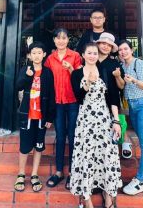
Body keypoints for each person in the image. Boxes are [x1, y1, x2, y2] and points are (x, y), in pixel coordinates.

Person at [70, 43, 122, 208]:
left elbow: (113, 98)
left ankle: (108, 196)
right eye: (89, 53)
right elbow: (78, 97)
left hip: (104, 120)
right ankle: (87, 199)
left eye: (95, 53)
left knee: (106, 155)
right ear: (83, 55)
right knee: (86, 155)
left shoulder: (105, 71)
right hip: (85, 121)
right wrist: (87, 83)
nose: (92, 56)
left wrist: (116, 121)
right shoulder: (77, 74)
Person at [14, 42, 56, 193]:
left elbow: (51, 95)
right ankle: (21, 174)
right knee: (25, 145)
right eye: (34, 53)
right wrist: (27, 76)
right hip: (27, 114)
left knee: (39, 145)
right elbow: (18, 86)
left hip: (41, 116)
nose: (37, 55)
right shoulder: (25, 69)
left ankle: (34, 174)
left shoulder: (48, 73)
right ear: (30, 55)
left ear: (44, 55)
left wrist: (50, 117)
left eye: (39, 52)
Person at [118, 40, 143, 195]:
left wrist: (133, 80)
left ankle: (140, 180)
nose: (123, 52)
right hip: (133, 106)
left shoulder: (139, 64)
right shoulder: (122, 66)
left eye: (125, 49)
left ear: (131, 49)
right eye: (120, 50)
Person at [44, 28, 82, 189]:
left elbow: (80, 79)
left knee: (73, 136)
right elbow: (46, 79)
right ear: (54, 40)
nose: (61, 41)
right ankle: (59, 171)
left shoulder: (75, 56)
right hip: (57, 103)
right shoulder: (49, 59)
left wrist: (71, 69)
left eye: (64, 38)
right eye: (58, 38)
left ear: (68, 40)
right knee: (60, 137)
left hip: (73, 101)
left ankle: (73, 172)